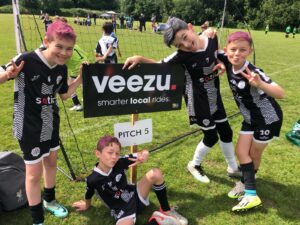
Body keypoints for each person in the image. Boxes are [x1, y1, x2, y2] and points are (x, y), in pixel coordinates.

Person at [123, 17, 241, 184]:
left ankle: (233, 168)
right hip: (198, 100)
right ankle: (194, 164)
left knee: (227, 132)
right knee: (211, 136)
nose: (185, 45)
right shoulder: (181, 56)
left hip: (215, 97)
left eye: (185, 37)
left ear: (191, 28)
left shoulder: (212, 38)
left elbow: (217, 55)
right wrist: (140, 59)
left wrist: (219, 62)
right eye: (179, 45)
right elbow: (160, 66)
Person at [1, 20, 82, 225]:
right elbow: (2, 72)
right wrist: (7, 75)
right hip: (28, 125)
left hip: (50, 122)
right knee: (33, 174)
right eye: (60, 47)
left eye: (69, 49)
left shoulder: (61, 68)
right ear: (46, 42)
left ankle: (49, 200)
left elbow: (63, 95)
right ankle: (38, 219)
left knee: (52, 162)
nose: (64, 53)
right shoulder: (27, 59)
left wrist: (81, 78)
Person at [218, 31, 284, 211]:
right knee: (241, 151)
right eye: (233, 49)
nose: (236, 54)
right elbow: (208, 50)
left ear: (250, 51)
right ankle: (244, 183)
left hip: (267, 119)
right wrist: (208, 34)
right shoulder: (227, 59)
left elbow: (281, 93)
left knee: (253, 154)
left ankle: (251, 194)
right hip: (250, 118)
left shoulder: (253, 72)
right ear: (226, 50)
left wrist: (260, 84)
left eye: (242, 50)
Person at [72, 135, 188, 225]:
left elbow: (141, 152)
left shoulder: (119, 161)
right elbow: (89, 193)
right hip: (122, 211)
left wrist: (144, 154)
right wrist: (87, 205)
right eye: (110, 152)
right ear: (98, 153)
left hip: (135, 195)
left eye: (117, 153)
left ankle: (165, 210)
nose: (114, 157)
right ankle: (157, 221)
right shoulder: (93, 179)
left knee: (155, 173)